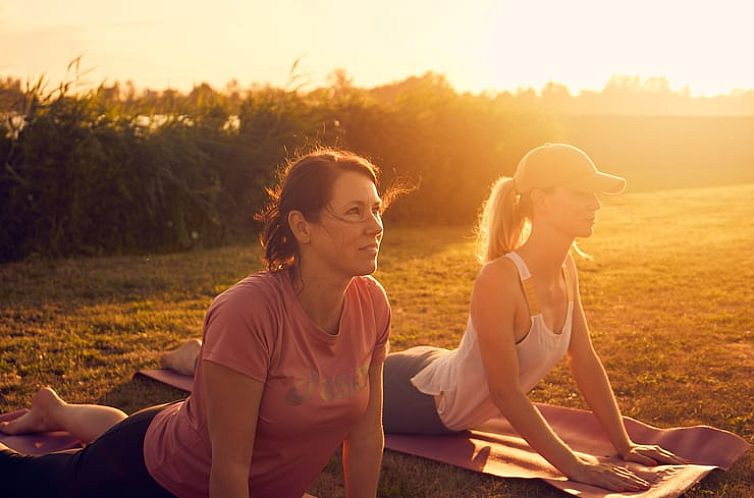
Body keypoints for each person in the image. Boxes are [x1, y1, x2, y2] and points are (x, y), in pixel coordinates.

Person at [0, 148, 392, 498]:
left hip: (180, 430)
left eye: (375, 209)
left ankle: (55, 410)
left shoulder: (371, 303)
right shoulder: (248, 311)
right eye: (354, 211)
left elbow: (365, 436)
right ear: (302, 227)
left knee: (139, 425)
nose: (375, 225)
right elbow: (229, 470)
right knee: (21, 478)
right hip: (154, 476)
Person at [381, 143, 688, 492]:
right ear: (541, 199)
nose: (596, 204)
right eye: (581, 193)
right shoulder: (500, 278)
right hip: (420, 396)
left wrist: (624, 444)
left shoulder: (565, 267)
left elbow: (583, 358)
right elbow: (505, 391)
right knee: (320, 397)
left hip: (434, 364)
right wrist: (575, 466)